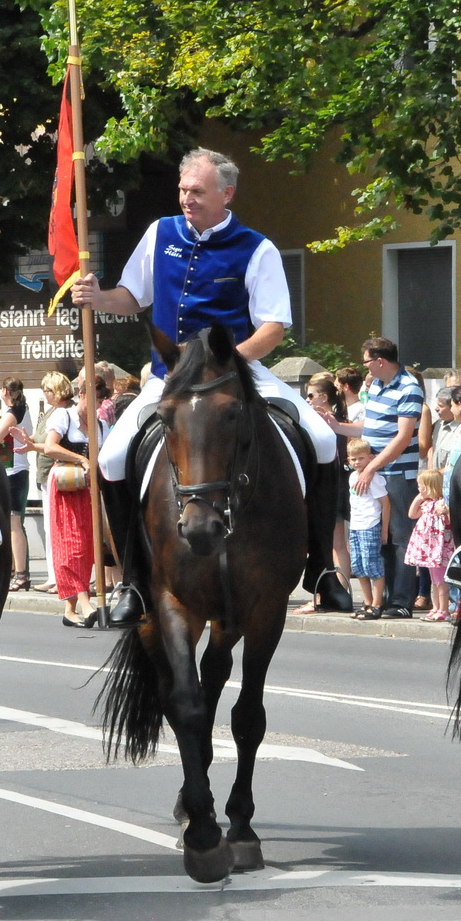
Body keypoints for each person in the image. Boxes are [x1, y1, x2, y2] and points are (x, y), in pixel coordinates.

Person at [72, 149, 337, 626]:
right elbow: (132, 296)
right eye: (183, 190)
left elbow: (274, 326)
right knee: (110, 459)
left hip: (239, 370)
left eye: (197, 191)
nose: (186, 199)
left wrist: (230, 363)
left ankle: (322, 570)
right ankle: (132, 579)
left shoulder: (257, 248)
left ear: (226, 193)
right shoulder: (160, 234)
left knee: (319, 438)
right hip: (171, 376)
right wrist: (97, 296)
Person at [330, 337, 424, 616]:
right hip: (378, 471)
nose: (365, 367)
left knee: (399, 537)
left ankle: (401, 601)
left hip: (397, 472)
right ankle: (381, 600)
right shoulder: (379, 386)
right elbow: (370, 429)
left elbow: (403, 436)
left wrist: (370, 468)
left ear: (380, 361)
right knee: (378, 537)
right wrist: (337, 426)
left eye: (367, 361)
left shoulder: (408, 387)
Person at [39, 372, 101, 628]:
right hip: (65, 485)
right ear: (82, 394)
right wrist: (82, 459)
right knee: (71, 543)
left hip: (86, 489)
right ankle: (85, 602)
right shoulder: (65, 416)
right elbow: (50, 447)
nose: (97, 403)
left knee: (86, 545)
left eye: (101, 398)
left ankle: (70, 610)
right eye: (93, 397)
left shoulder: (98, 424)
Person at [296, 373, 353, 614]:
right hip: (339, 481)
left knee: (334, 543)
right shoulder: (333, 418)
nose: (307, 399)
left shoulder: (329, 420)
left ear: (325, 397)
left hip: (334, 482)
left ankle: (329, 588)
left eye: (311, 395)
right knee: (336, 543)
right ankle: (333, 588)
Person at [0, 377, 32, 593]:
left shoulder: (12, 413)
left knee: (14, 524)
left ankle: (21, 573)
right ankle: (17, 570)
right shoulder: (23, 409)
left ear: (4, 391)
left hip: (13, 472)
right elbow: (3, 441)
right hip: (17, 470)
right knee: (14, 524)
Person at [344, 438, 388, 619]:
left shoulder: (375, 479)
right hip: (356, 525)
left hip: (370, 525)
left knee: (373, 566)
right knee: (358, 565)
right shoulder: (352, 477)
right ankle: (367, 601)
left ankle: (377, 603)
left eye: (361, 458)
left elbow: (385, 504)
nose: (357, 462)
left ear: (370, 458)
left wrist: (384, 529)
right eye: (353, 459)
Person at [406, 467, 455, 622]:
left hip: (438, 547)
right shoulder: (426, 503)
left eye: (421, 485)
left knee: (441, 580)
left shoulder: (442, 504)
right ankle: (435, 607)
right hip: (428, 546)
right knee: (434, 580)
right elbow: (412, 514)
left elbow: (450, 521)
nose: (418, 488)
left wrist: (446, 511)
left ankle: (443, 609)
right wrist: (419, 498)